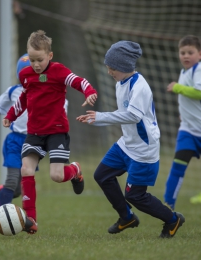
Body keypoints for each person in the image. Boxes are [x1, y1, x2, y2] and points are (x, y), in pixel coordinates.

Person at [76, 40, 185, 238]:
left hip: (144, 149)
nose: (109, 72)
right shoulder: (120, 83)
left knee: (136, 196)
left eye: (112, 68)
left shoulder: (140, 87)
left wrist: (100, 116)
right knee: (102, 175)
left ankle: (172, 219)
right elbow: (122, 114)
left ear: (124, 66)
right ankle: (127, 217)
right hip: (126, 144)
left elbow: (133, 116)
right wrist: (95, 120)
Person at [3, 30, 98, 235]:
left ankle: (75, 171)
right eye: (32, 60)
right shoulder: (25, 75)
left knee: (56, 175)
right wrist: (11, 115)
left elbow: (78, 81)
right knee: (26, 170)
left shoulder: (59, 71)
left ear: (50, 56)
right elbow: (24, 99)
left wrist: (89, 92)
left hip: (56, 131)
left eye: (40, 60)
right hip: (35, 132)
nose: (36, 65)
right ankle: (31, 219)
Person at [0, 52, 69, 234]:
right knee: (12, 179)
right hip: (15, 141)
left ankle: (1, 194)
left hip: (35, 139)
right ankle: (1, 221)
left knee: (17, 188)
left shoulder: (51, 90)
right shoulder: (14, 91)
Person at [163, 35, 201, 209]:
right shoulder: (185, 71)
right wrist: (183, 115)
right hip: (188, 131)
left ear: (199, 54)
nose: (186, 56)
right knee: (177, 168)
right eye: (182, 52)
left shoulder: (198, 69)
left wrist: (177, 87)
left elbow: (198, 92)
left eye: (190, 52)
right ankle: (167, 206)